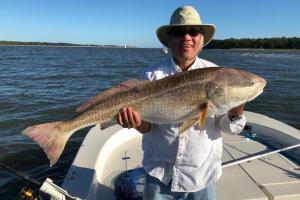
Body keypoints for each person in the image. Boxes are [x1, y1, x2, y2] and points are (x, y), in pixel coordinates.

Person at [117, 6, 246, 200]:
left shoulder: (218, 75)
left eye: (193, 32)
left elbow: (230, 129)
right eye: (179, 32)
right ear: (170, 39)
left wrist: (236, 109)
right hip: (159, 175)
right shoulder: (151, 75)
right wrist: (135, 123)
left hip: (201, 177)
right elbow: (147, 128)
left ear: (201, 39)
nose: (186, 37)